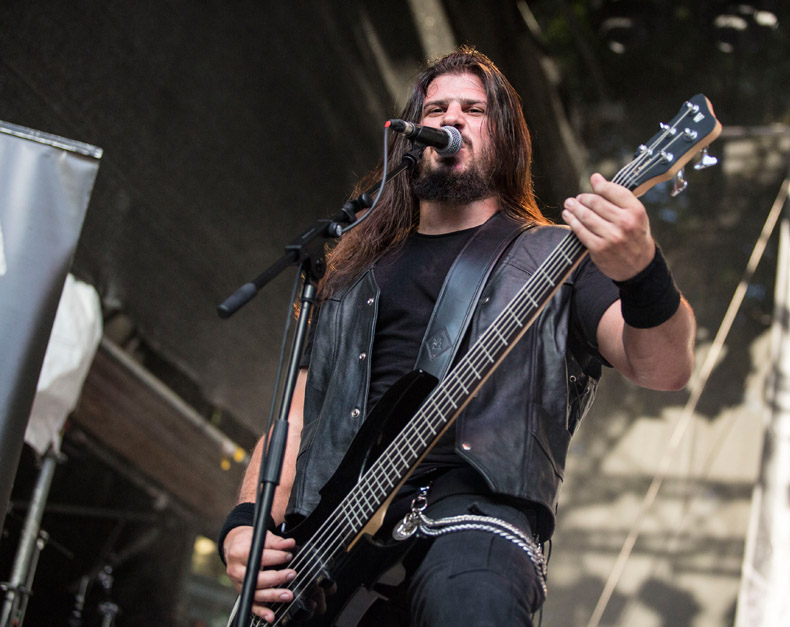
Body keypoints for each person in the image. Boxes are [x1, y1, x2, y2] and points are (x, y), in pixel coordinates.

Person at [218, 46, 695, 626]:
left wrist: (643, 269)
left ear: (507, 140)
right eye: (437, 106)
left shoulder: (556, 258)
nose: (450, 118)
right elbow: (297, 414)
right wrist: (247, 519)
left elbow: (665, 367)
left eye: (473, 109)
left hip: (474, 522)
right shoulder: (351, 271)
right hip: (327, 554)